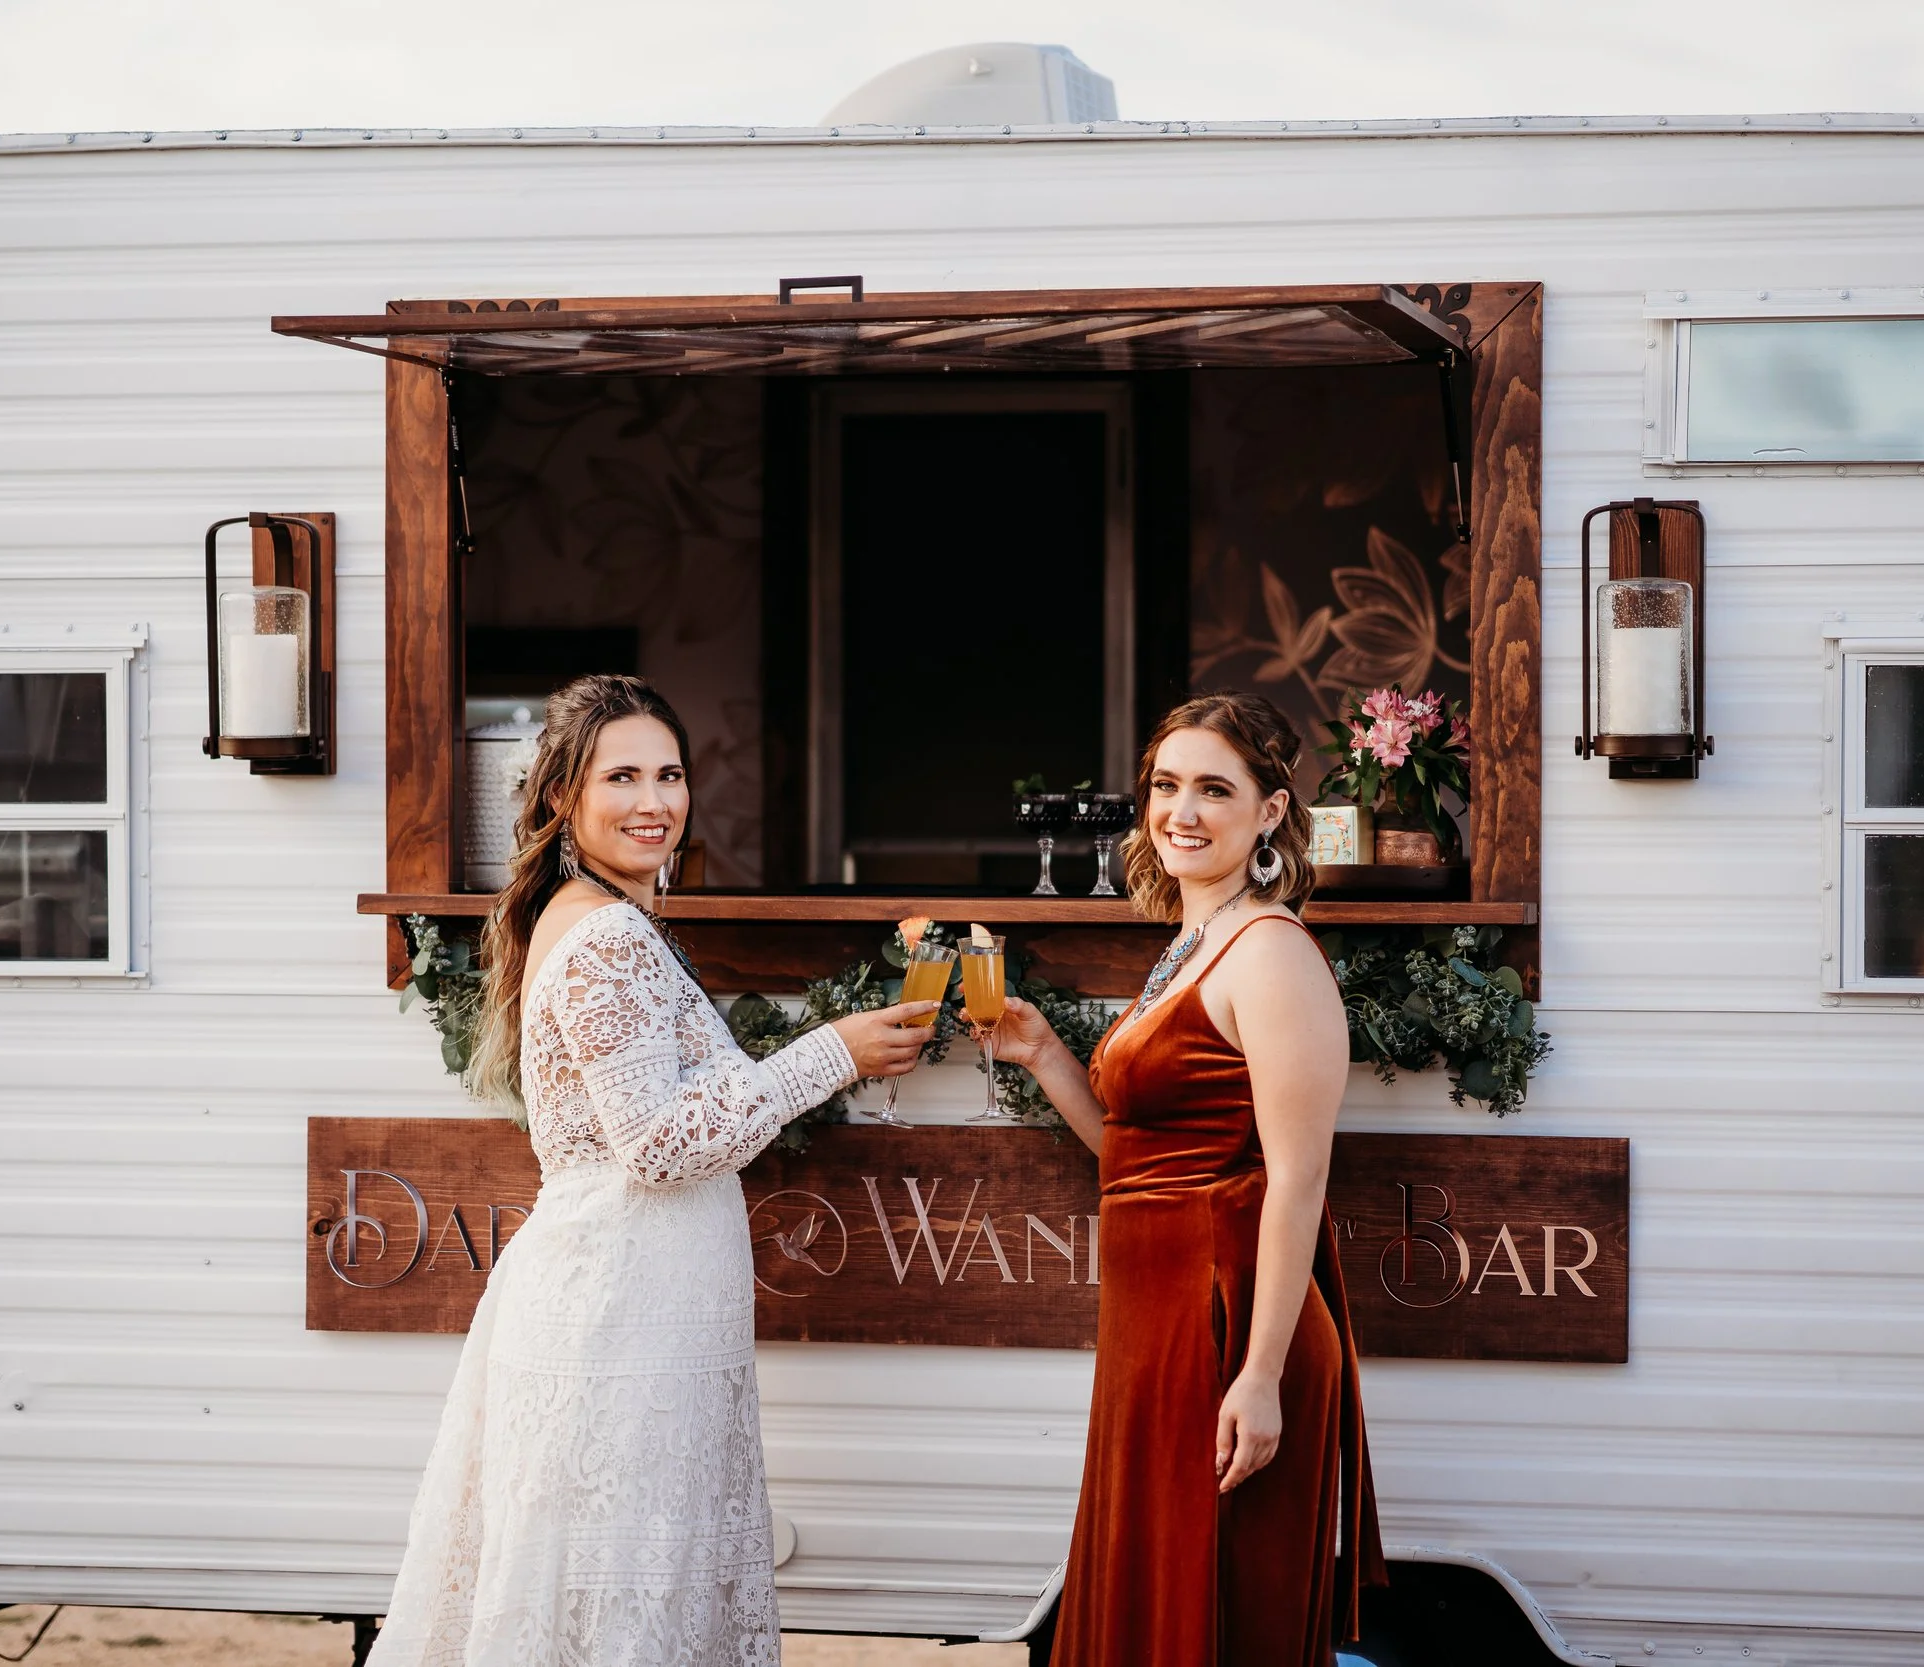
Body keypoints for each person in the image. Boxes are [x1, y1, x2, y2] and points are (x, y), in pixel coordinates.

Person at [368, 674, 937, 1667]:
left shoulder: (592, 913)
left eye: (669, 774)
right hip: (618, 1321)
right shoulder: (605, 934)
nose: (654, 800)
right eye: (621, 775)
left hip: (639, 1310)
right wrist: (832, 1051)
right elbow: (661, 1143)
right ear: (562, 795)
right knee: (620, 1608)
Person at [987, 690, 1387, 1667]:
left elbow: (1296, 1180)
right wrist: (1044, 1055)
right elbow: (1138, 1163)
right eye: (1165, 785)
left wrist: (1259, 1375)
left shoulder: (1272, 952)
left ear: (1270, 810)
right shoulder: (1190, 944)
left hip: (1226, 1329)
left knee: (1217, 1621)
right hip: (1154, 1331)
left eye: (1214, 788)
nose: (1181, 810)